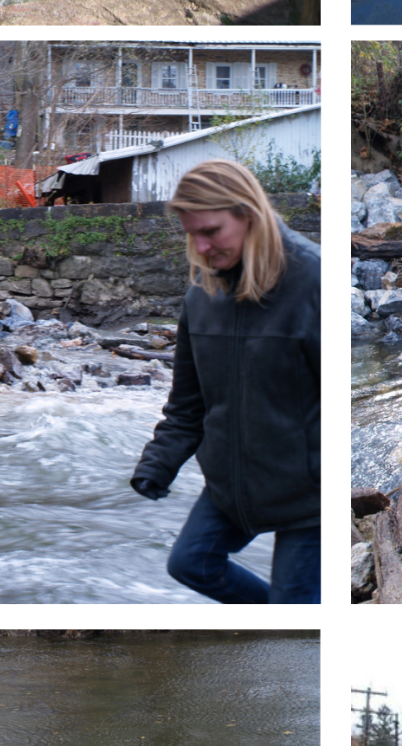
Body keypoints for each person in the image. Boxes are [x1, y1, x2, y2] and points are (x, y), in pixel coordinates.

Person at [131, 159, 320, 605]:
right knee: (190, 564)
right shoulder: (202, 294)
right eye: (190, 234)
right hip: (233, 486)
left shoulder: (312, 281)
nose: (200, 246)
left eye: (211, 231)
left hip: (309, 500)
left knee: (293, 606)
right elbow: (187, 403)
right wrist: (158, 465)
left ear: (247, 214)